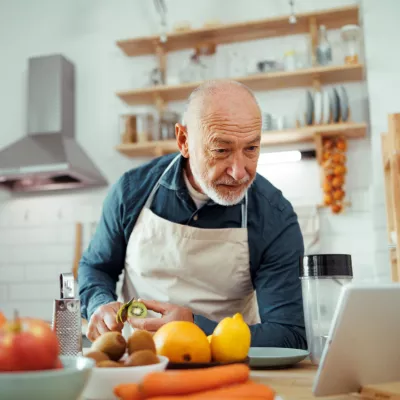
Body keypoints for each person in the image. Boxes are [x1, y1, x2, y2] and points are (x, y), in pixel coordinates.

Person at [78, 80, 307, 349]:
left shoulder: (274, 216)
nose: (239, 171)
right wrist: (101, 305)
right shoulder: (132, 191)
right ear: (184, 141)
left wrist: (195, 327)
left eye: (251, 149)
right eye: (221, 150)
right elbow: (96, 268)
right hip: (138, 360)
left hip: (228, 367)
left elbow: (289, 334)